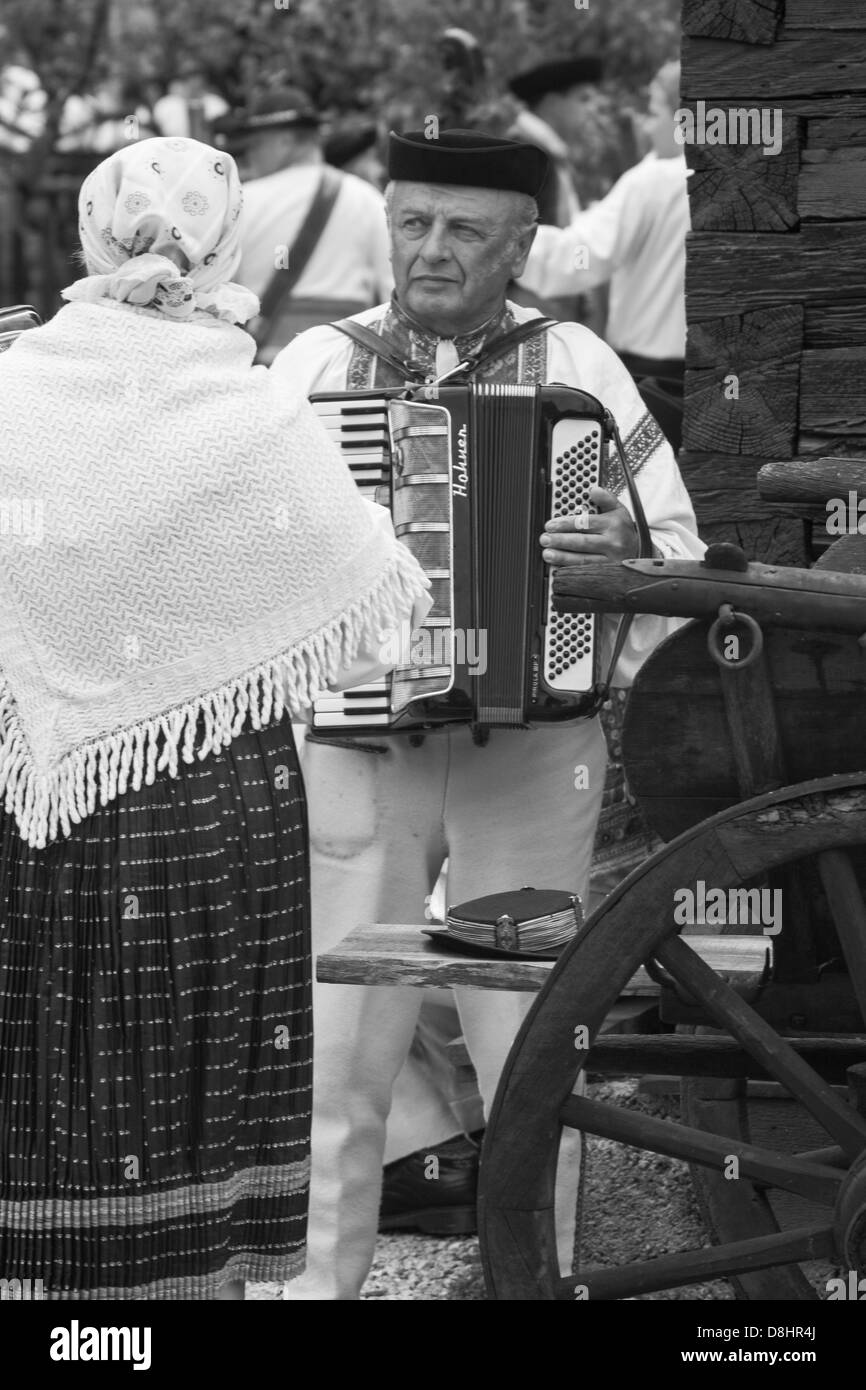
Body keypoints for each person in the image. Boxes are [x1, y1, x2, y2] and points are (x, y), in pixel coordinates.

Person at [270, 127, 705, 1300]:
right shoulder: (310, 365)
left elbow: (679, 550)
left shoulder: (582, 364)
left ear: (521, 243)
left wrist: (619, 549)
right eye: (412, 224)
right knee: (340, 1042)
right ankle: (322, 1285)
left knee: (527, 1038)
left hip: (534, 743)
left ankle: (533, 1276)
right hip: (361, 745)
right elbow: (241, 558)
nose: (431, 252)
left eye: (464, 231)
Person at [0, 135, 430, 1301]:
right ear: (223, 244)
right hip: (205, 801)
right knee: (183, 1067)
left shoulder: (8, 386)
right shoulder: (256, 416)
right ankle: (174, 1294)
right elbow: (379, 599)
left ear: (87, 237)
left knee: (45, 1053)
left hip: (30, 807)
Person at [517, 60, 689, 445]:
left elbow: (579, 258)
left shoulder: (656, 181)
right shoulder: (718, 174)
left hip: (653, 378)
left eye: (654, 111)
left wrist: (504, 238)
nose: (646, 125)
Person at [232, 88, 393, 364]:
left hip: (268, 365)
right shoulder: (366, 198)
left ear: (284, 141)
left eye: (255, 146)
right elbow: (391, 291)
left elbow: (224, 294)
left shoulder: (241, 201)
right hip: (346, 365)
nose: (250, 157)